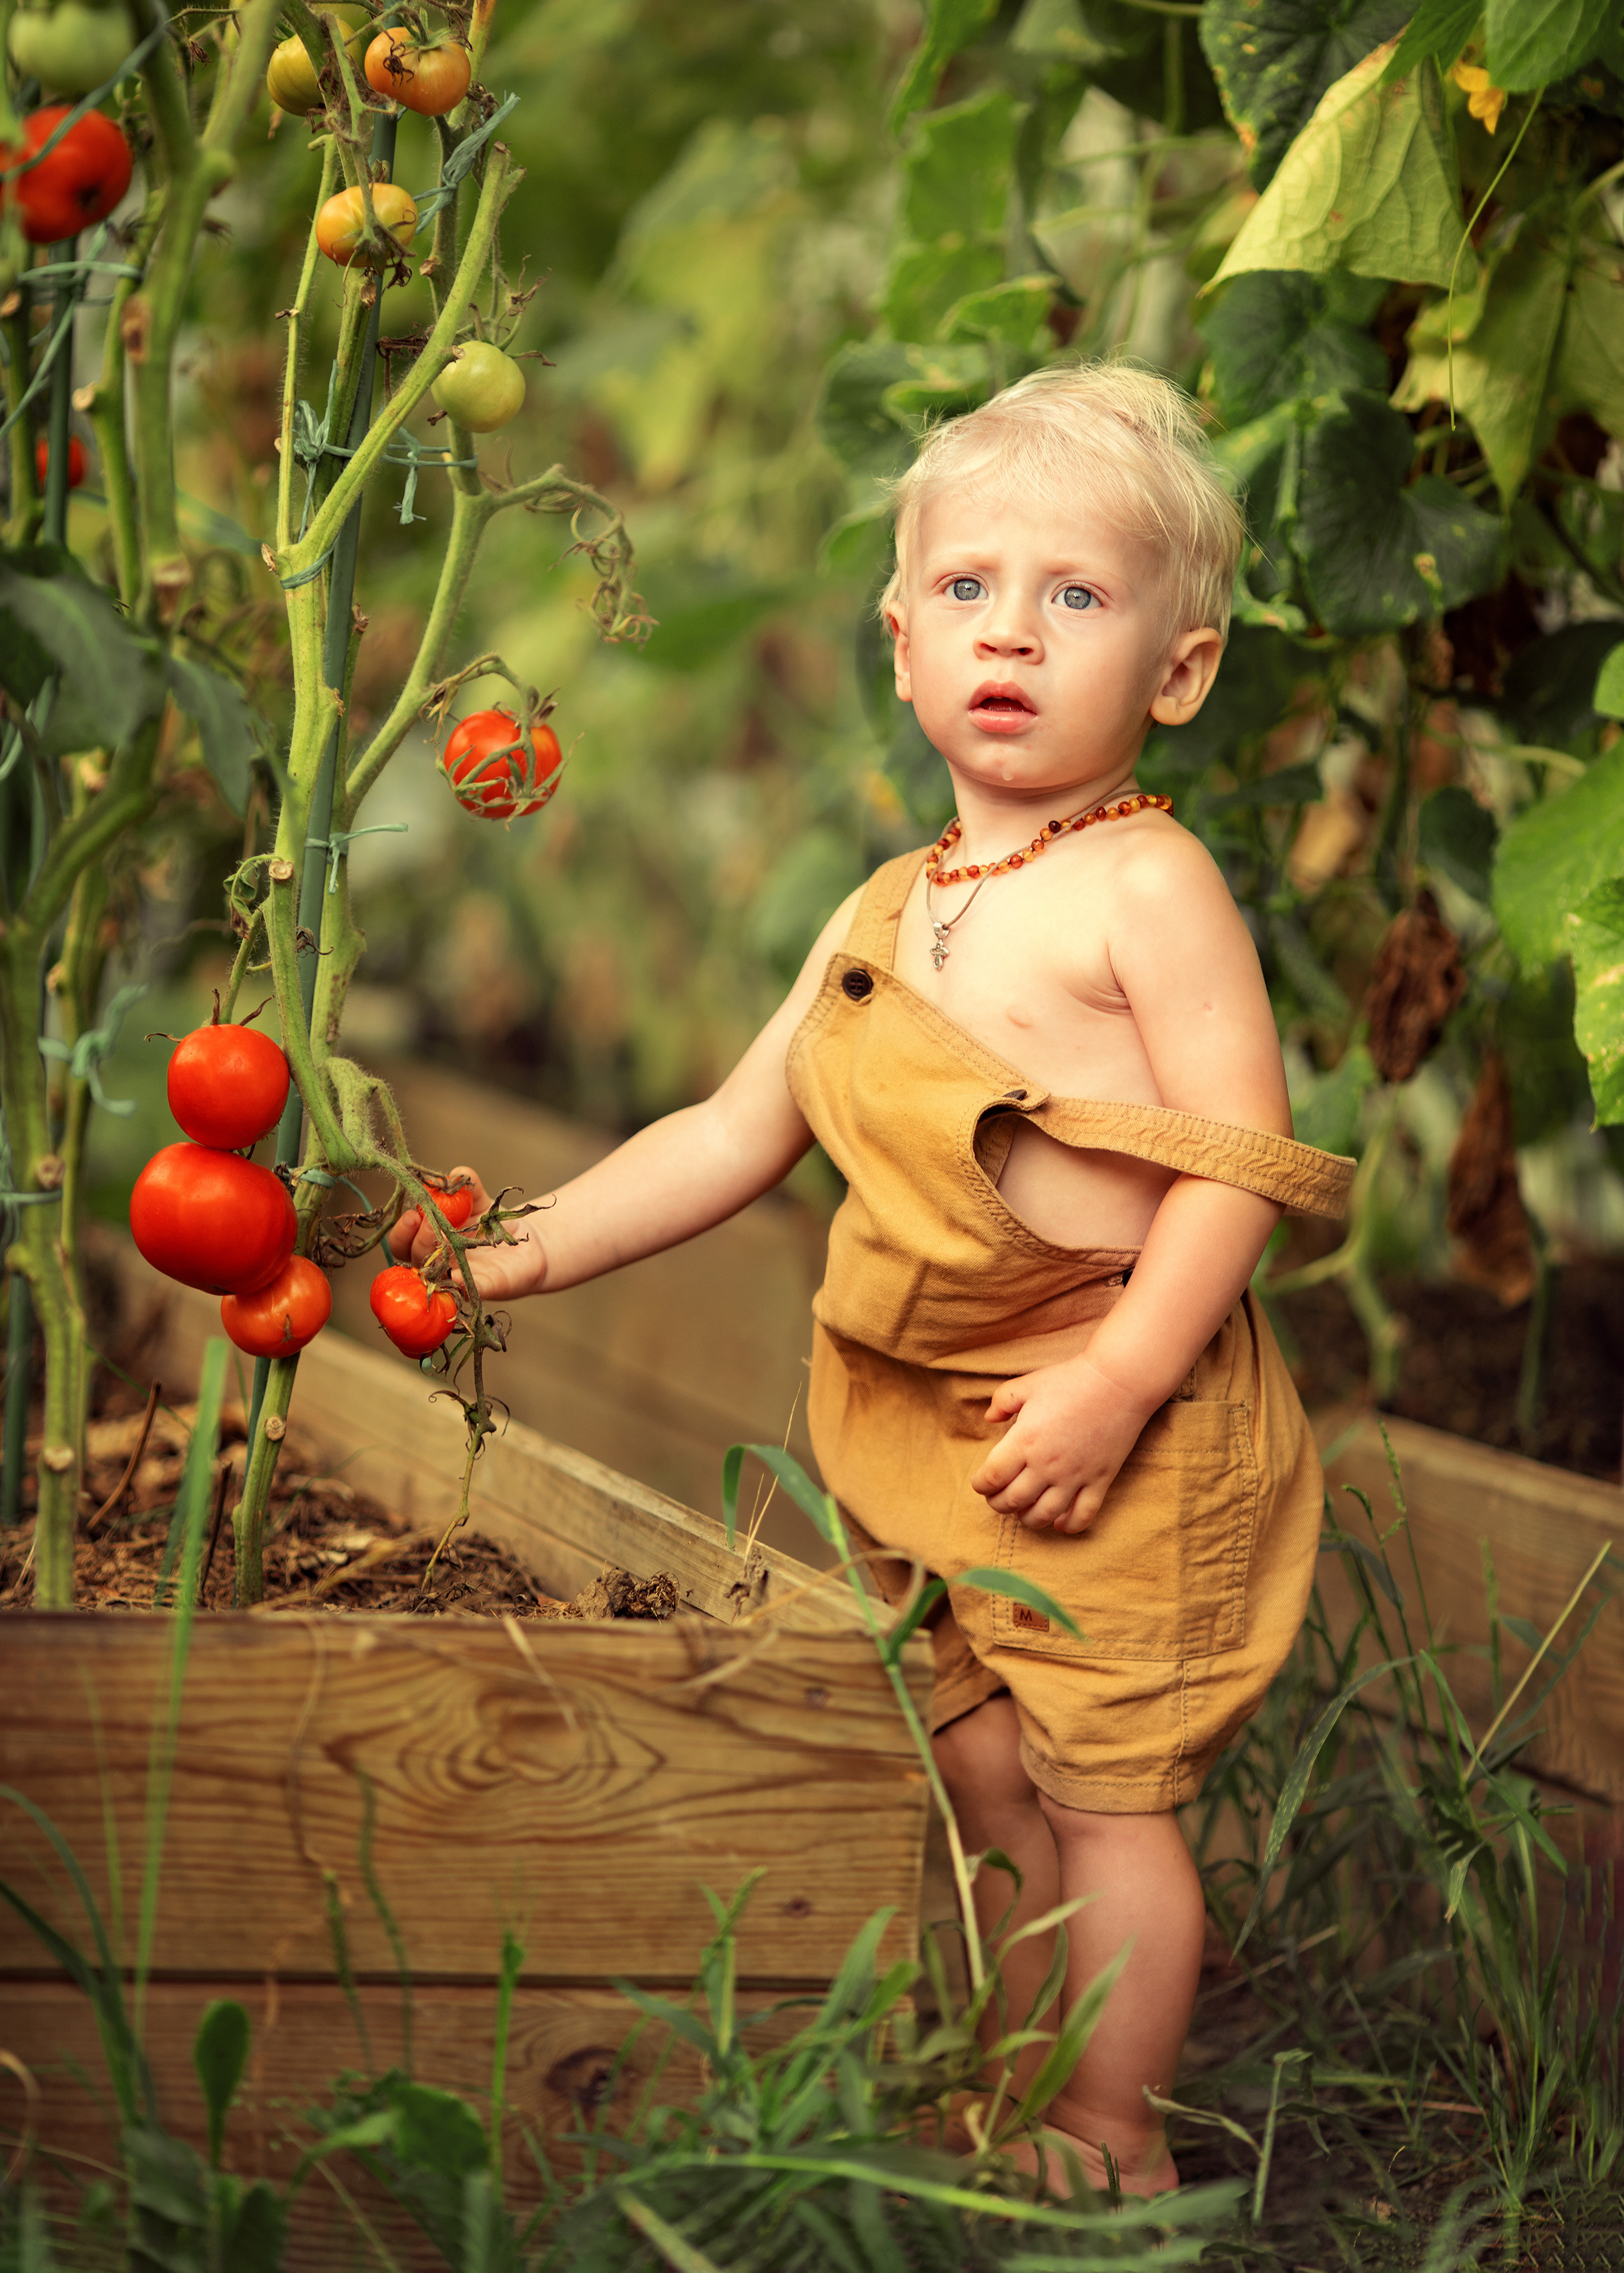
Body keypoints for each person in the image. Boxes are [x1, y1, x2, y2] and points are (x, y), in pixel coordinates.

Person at [391, 361, 1355, 2200]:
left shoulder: (1149, 887)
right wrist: (498, 1251)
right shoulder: (880, 911)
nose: (1015, 631)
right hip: (927, 1427)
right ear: (900, 640)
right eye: (973, 590)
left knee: (1104, 1794)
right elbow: (724, 1135)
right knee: (988, 1781)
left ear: (1178, 669)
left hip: (1115, 1411)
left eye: (1076, 597)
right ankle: (1011, 2079)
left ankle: (1109, 2128)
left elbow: (1240, 1166)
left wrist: (1126, 1379)